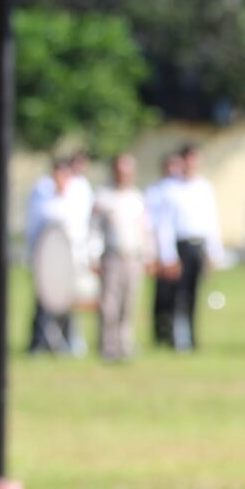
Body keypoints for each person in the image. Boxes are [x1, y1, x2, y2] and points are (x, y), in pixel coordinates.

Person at [160, 144, 224, 351]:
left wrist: (214, 252)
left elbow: (211, 222)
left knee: (194, 295)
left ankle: (192, 337)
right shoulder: (171, 189)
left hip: (198, 246)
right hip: (181, 246)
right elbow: (166, 225)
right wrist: (168, 255)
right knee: (179, 295)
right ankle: (179, 338)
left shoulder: (204, 188)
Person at [91, 153, 154, 361]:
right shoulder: (104, 197)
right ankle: (108, 346)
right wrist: (93, 257)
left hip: (133, 257)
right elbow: (94, 231)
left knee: (129, 304)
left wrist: (149, 255)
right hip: (112, 256)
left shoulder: (137, 198)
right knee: (109, 305)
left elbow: (146, 230)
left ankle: (125, 344)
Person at [25, 158, 80, 353]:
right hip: (47, 258)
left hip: (69, 258)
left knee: (67, 301)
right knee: (43, 299)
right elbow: (33, 228)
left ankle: (68, 340)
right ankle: (38, 341)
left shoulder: (75, 199)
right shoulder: (43, 200)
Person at [145, 151, 184, 346]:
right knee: (161, 298)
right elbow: (153, 226)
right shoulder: (155, 191)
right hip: (160, 251)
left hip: (181, 249)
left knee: (180, 297)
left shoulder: (184, 191)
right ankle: (161, 335)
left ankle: (179, 336)